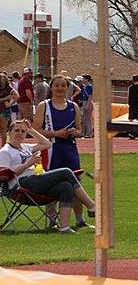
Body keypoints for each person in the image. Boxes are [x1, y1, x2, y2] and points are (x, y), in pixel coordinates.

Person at [0, 120, 96, 233]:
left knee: (66, 186)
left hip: (38, 181)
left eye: (23, 131)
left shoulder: (25, 147)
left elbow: (47, 144)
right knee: (66, 171)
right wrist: (27, 164)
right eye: (16, 130)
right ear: (9, 132)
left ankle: (64, 227)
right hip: (21, 185)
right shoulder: (5, 151)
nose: (20, 133)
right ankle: (91, 205)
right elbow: (4, 176)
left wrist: (31, 130)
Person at [32, 75, 88, 229]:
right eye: (56, 85)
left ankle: (80, 220)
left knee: (76, 181)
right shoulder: (44, 106)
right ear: (51, 87)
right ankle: (52, 220)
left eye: (63, 85)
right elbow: (35, 130)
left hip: (69, 149)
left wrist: (73, 132)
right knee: (52, 183)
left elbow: (80, 130)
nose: (60, 88)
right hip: (51, 149)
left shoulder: (73, 106)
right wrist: (56, 133)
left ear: (67, 87)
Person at [0, 73, 18, 147]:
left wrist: (10, 103)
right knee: (2, 129)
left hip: (4, 110)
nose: (2, 80)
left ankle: (3, 147)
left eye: (4, 79)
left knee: (3, 129)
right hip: (3, 109)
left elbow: (17, 96)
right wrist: (6, 98)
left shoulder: (9, 88)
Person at [127, 75, 138, 139]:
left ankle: (131, 133)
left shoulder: (130, 87)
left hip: (132, 104)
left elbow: (128, 96)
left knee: (131, 119)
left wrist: (128, 103)